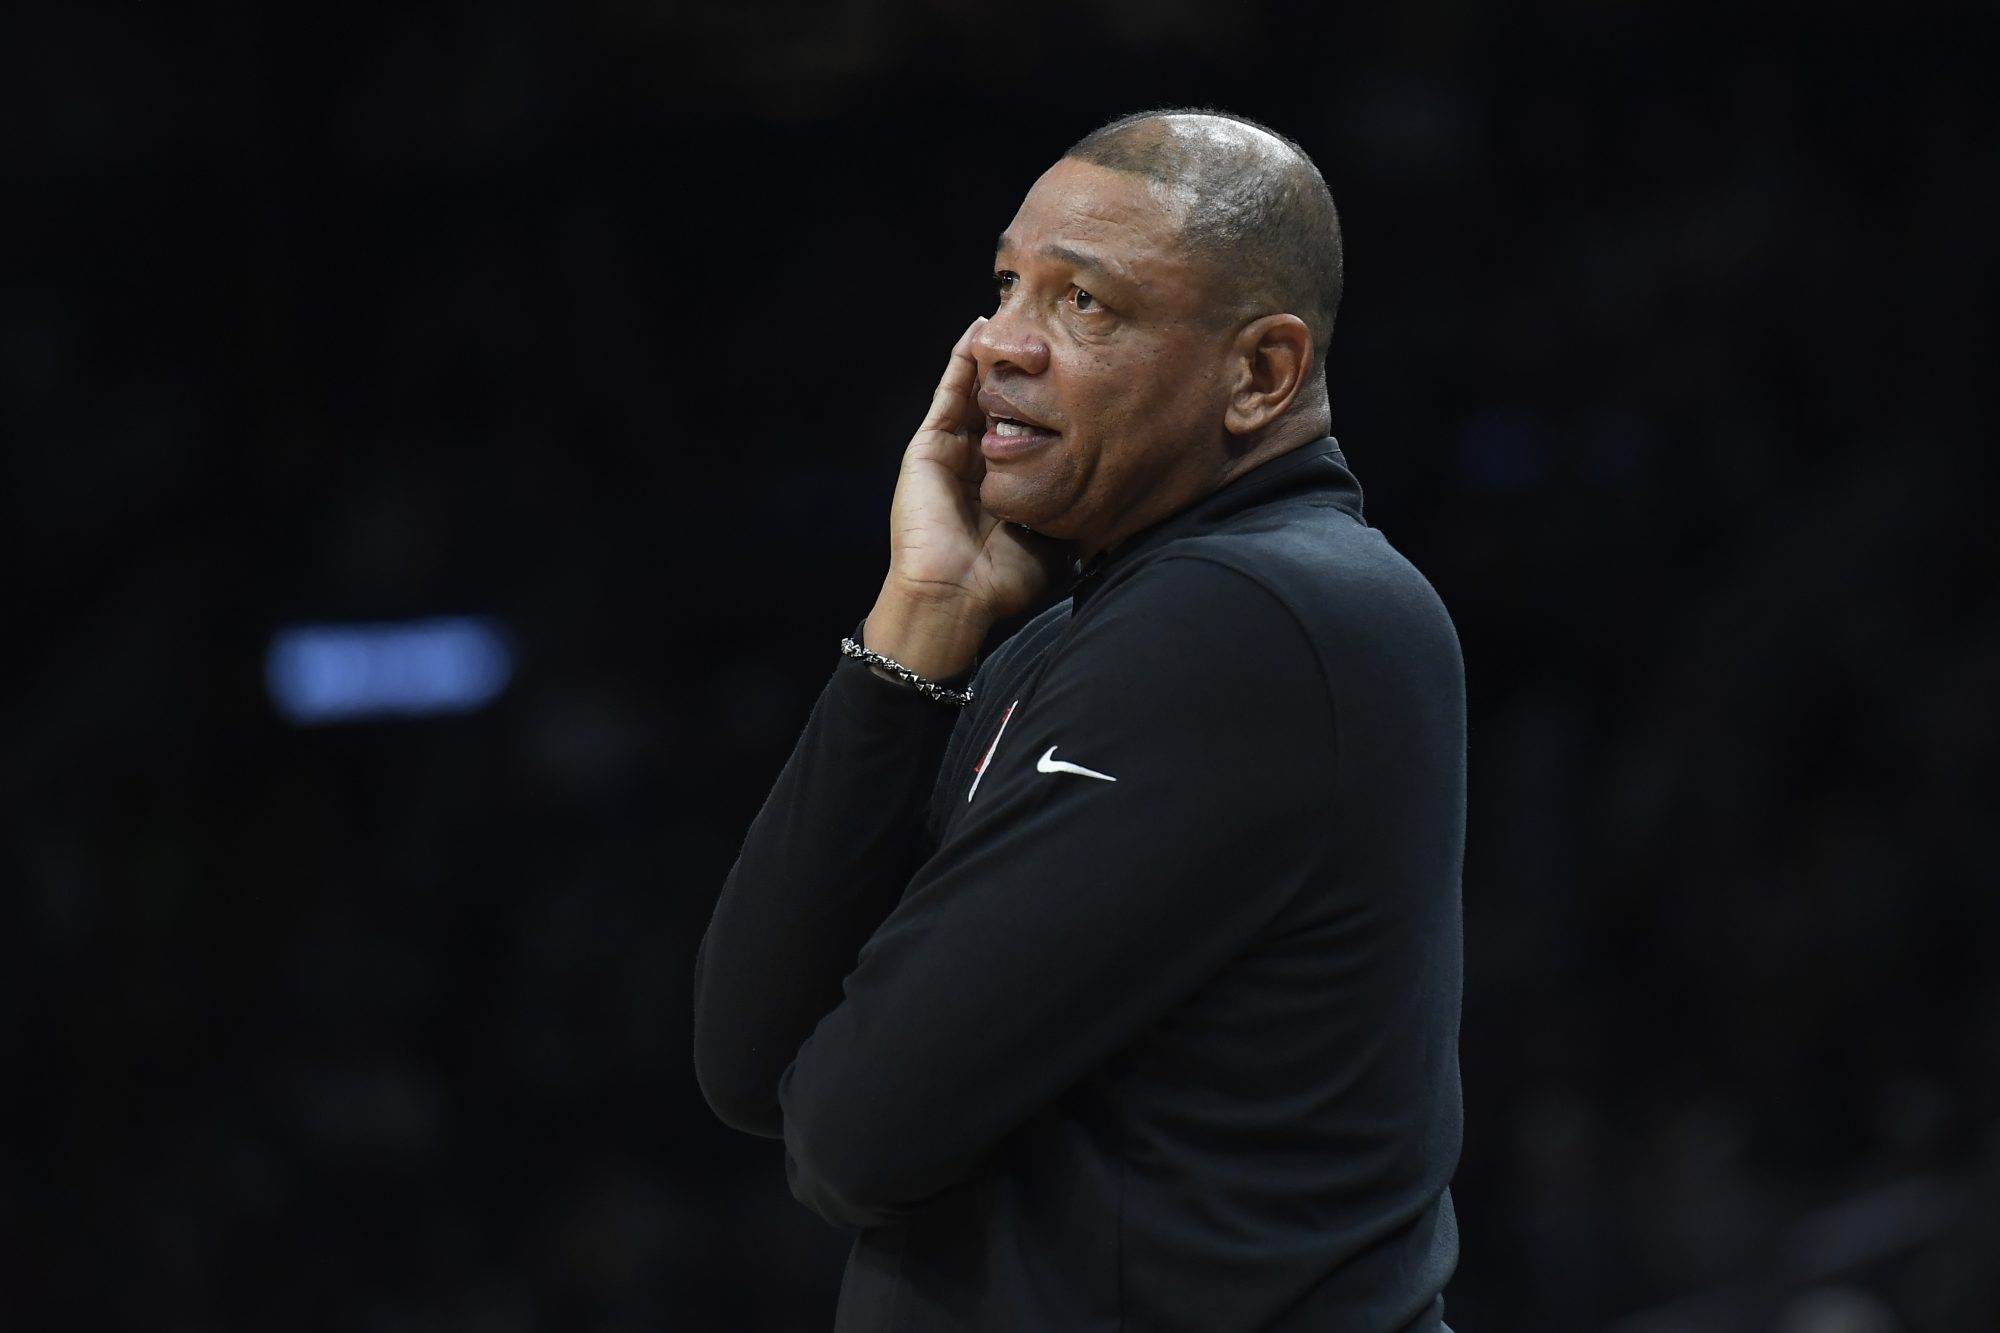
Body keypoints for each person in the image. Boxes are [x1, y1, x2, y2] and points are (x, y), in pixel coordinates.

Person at [693, 109, 1466, 1332]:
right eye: (1004, 283)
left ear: (1259, 372)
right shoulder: (1080, 615)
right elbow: (748, 1063)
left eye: (1081, 305)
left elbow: (852, 1133)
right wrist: (918, 620)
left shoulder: (1249, 614)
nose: (997, 344)